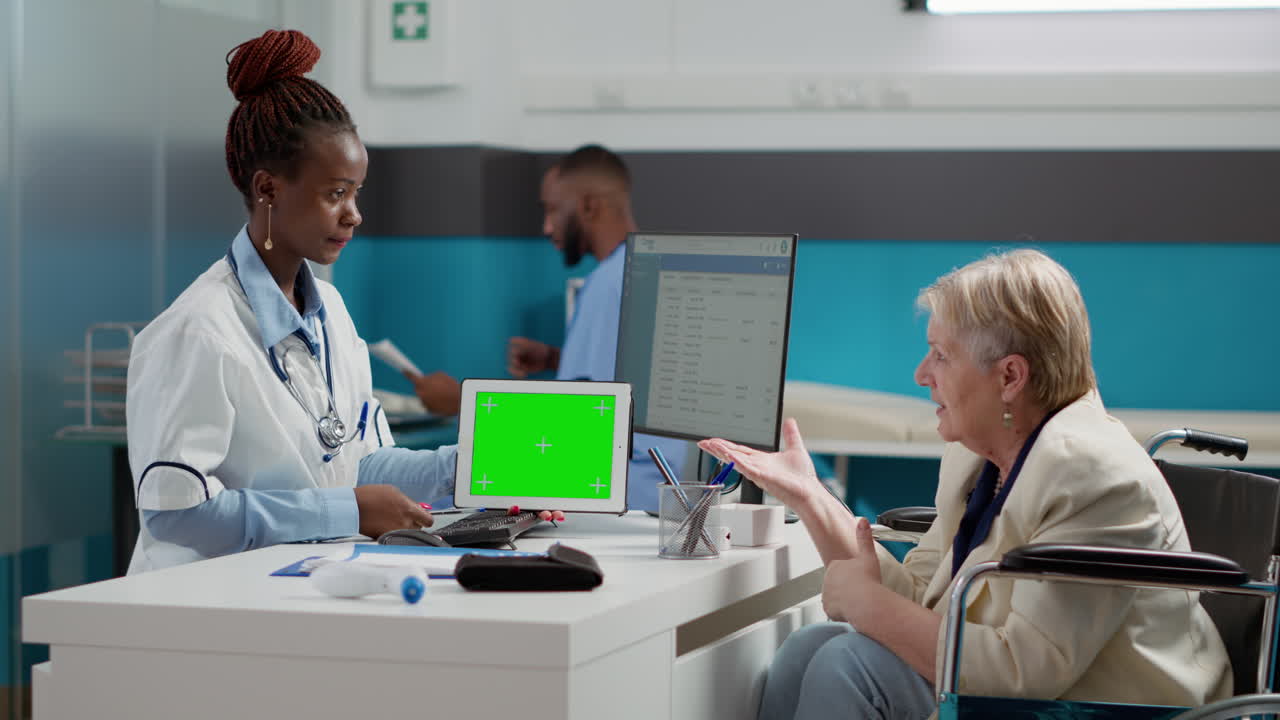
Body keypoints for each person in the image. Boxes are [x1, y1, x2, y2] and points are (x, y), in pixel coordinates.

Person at [698, 250, 1231, 719]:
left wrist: (864, 605)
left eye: (941, 355)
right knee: (807, 648)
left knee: (847, 663)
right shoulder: (975, 456)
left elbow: (1023, 674)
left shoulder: (1092, 476)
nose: (920, 373)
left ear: (1009, 378)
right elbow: (921, 603)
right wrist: (811, 497)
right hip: (1026, 691)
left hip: (1111, 708)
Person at [125, 29, 560, 574]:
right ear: (268, 190)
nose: (353, 214)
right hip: (194, 611)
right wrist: (344, 509)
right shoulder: (198, 331)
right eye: (335, 194)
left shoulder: (329, 310)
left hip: (294, 593)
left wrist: (474, 471)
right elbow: (177, 517)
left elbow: (360, 461)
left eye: (356, 193)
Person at [411, 145, 687, 511]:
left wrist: (459, 404)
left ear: (589, 206)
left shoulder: (608, 284)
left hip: (619, 486)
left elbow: (581, 429)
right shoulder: (645, 271)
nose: (546, 227)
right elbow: (630, 384)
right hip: (651, 482)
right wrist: (557, 358)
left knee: (434, 502)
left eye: (553, 209)